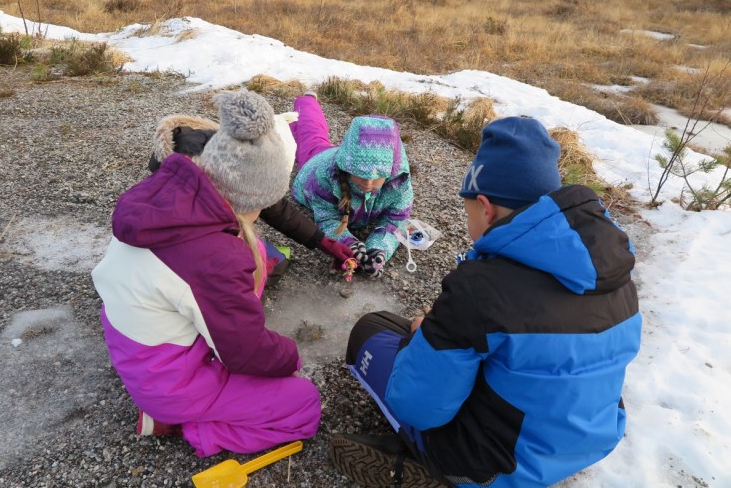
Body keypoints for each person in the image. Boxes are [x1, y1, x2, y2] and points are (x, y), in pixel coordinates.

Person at [330, 116, 642, 487]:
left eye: (468, 212)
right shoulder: (617, 272)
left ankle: (435, 469)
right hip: (588, 440)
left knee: (372, 330)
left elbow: (417, 406)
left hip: (500, 464)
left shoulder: (480, 288)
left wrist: (421, 340)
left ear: (485, 207)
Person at [91, 89, 321, 457]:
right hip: (169, 384)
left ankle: (178, 407)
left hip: (138, 351)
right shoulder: (214, 258)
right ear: (252, 197)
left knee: (259, 255)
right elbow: (245, 352)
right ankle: (191, 427)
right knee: (303, 403)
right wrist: (290, 357)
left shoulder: (166, 196)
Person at [147, 112, 355, 286]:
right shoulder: (188, 203)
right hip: (179, 263)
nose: (261, 205)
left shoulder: (232, 169)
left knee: (271, 261)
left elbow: (276, 208)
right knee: (258, 270)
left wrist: (322, 241)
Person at [289, 92, 413, 277]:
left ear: (391, 170)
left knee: (312, 136)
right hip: (313, 163)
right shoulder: (324, 178)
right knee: (310, 134)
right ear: (347, 167)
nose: (368, 183)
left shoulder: (399, 182)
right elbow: (327, 219)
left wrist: (378, 250)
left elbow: (397, 220)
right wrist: (349, 244)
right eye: (361, 175)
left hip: (341, 156)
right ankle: (306, 100)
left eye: (378, 176)